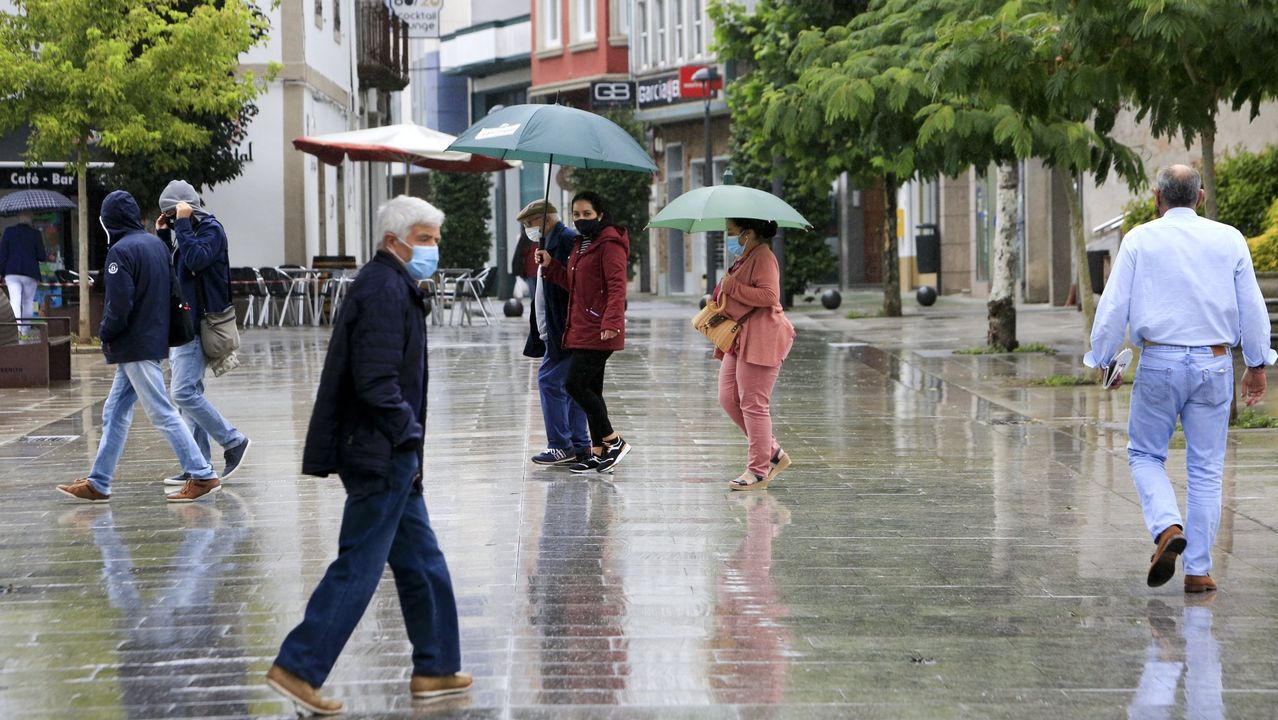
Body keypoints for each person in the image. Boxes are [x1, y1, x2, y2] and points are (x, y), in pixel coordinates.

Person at [266, 196, 469, 716]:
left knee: (423, 563)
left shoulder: (394, 285)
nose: (432, 248)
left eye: (434, 238)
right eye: (424, 239)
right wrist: (407, 431)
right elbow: (376, 382)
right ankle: (298, 666)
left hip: (393, 452)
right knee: (359, 565)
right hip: (380, 452)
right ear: (392, 241)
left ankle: (437, 669)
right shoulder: (383, 290)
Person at [1087, 164, 1273, 593]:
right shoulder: (1229, 239)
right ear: (1201, 198)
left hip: (1160, 363)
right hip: (1214, 363)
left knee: (1146, 455)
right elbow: (1252, 308)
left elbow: (1113, 307)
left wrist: (1103, 358)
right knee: (1207, 468)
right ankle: (1198, 571)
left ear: (1157, 198)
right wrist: (1258, 365)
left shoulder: (1138, 240)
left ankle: (1168, 527)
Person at [55, 190, 222, 504]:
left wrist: (105, 332)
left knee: (161, 412)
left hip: (134, 343)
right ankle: (99, 481)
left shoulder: (120, 252)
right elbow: (173, 293)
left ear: (108, 220)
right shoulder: (155, 245)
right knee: (114, 411)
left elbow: (119, 304)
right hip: (152, 340)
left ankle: (201, 473)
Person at [156, 180, 250, 485]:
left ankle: (233, 441)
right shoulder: (183, 232)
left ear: (186, 206)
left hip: (199, 324)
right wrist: (163, 234)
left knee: (182, 392)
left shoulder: (211, 230)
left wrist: (181, 225)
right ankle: (197, 465)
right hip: (183, 323)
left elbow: (197, 259)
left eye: (172, 211)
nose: (170, 217)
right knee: (188, 394)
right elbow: (170, 273)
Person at [536, 191, 632, 474]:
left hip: (601, 328)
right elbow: (573, 283)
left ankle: (613, 441)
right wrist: (551, 265)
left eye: (586, 214)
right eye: (576, 214)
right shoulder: (581, 244)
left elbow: (617, 286)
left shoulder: (610, 244)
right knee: (592, 389)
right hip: (582, 326)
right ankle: (597, 452)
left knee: (574, 384)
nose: (580, 219)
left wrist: (611, 321)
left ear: (600, 214)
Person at [713, 218, 796, 490]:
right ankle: (773, 452)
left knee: (753, 404)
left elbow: (770, 296)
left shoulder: (763, 257)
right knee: (728, 397)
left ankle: (758, 471)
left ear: (748, 234)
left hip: (762, 337)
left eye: (732, 232)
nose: (729, 237)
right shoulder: (744, 258)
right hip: (739, 338)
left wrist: (731, 287)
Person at [518, 200, 589, 467]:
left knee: (549, 381)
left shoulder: (566, 240)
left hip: (564, 328)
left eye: (530, 224)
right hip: (554, 328)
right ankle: (579, 444)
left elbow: (578, 283)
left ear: (545, 220)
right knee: (570, 386)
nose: (528, 231)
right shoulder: (548, 242)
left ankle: (560, 444)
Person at [0, 210, 47, 330]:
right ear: (30, 217)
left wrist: (1, 272)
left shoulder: (9, 232)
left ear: (18, 217)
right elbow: (42, 256)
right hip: (30, 272)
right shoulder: (35, 234)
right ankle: (25, 333)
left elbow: (3, 255)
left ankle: (16, 331)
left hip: (11, 272)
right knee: (28, 302)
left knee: (14, 302)